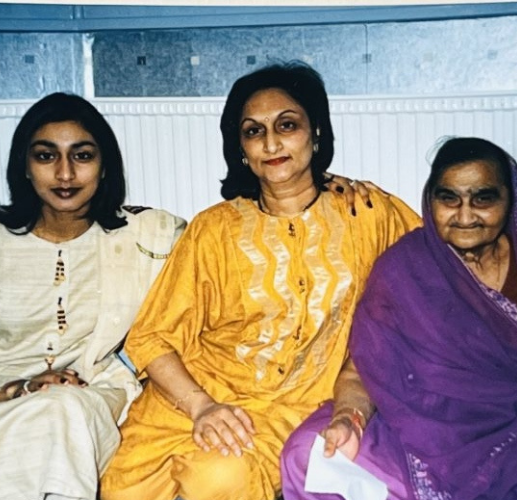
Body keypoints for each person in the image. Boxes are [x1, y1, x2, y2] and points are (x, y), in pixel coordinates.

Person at [99, 61, 423, 500]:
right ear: (241, 148)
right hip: (186, 399)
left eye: (287, 125)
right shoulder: (213, 228)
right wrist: (202, 406)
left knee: (218, 478)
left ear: (317, 133)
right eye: (254, 131)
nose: (271, 142)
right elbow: (152, 336)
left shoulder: (367, 213)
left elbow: (440, 268)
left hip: (283, 406)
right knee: (117, 489)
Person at [280, 136, 517, 500]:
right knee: (307, 454)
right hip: (414, 435)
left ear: (510, 200)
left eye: (483, 198)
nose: (465, 215)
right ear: (430, 198)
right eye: (448, 198)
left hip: (512, 431)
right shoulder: (402, 267)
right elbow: (360, 372)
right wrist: (349, 420)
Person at [0, 92, 188, 500]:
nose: (64, 174)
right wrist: (18, 388)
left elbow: (216, 252)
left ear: (105, 165)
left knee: (61, 410)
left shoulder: (144, 236)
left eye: (82, 156)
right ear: (23, 166)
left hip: (89, 395)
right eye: (45, 156)